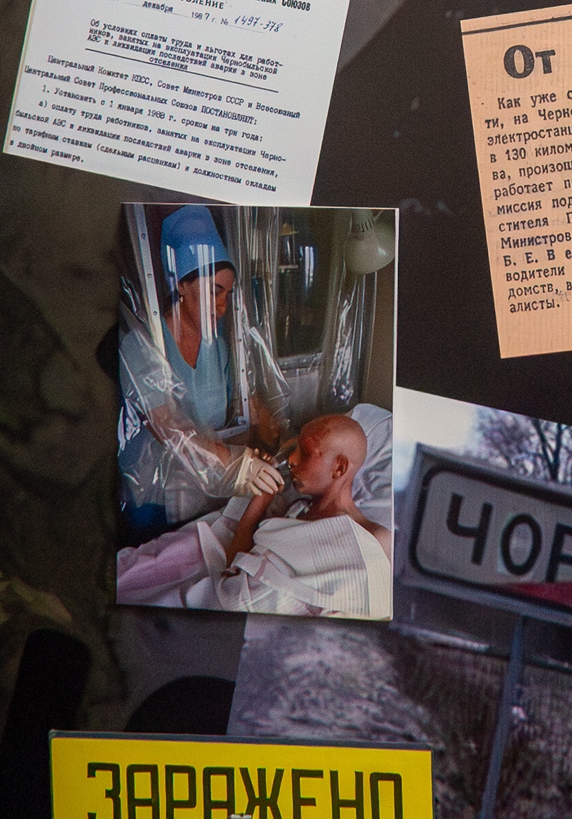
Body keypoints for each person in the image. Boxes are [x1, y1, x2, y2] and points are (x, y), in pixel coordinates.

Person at [118, 205, 291, 534]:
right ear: (182, 285)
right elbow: (167, 425)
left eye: (228, 294)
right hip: (155, 496)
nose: (222, 306)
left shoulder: (220, 348)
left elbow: (243, 405)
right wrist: (238, 464)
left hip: (208, 486)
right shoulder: (141, 347)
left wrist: (275, 435)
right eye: (214, 291)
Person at [115, 412, 390, 615]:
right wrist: (261, 498)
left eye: (305, 453)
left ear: (339, 468)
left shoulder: (374, 539)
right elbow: (235, 567)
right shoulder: (296, 510)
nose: (292, 459)